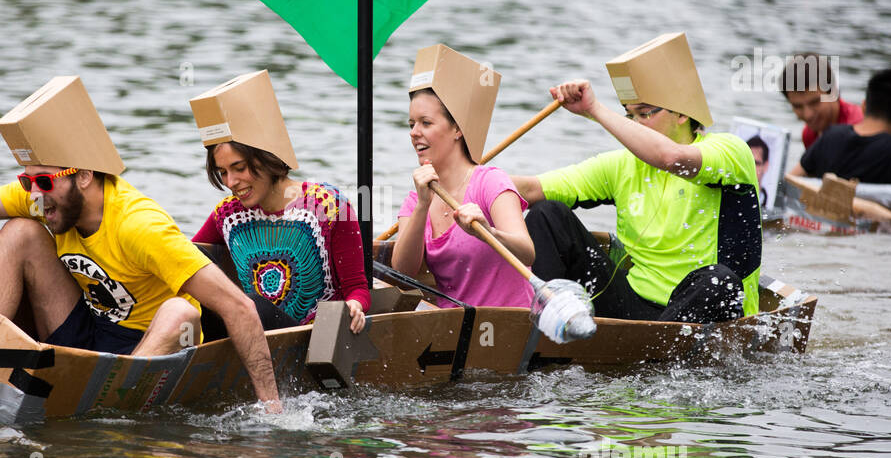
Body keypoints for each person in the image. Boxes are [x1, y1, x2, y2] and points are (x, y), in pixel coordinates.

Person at [0, 75, 281, 409]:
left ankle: (108, 406)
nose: (35, 192)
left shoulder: (139, 225)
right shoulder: (44, 197)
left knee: (181, 312)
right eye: (27, 181)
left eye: (45, 182)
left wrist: (272, 410)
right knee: (21, 231)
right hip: (89, 331)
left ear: (83, 175)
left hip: (147, 347)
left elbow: (238, 307)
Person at [513, 33, 761, 324]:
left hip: (702, 306)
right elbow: (531, 188)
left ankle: (654, 355)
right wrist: (468, 176)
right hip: (635, 307)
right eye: (630, 116)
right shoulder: (620, 166)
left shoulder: (729, 151)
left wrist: (594, 109)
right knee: (547, 215)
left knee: (720, 280)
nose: (634, 125)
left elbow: (671, 158)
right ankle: (544, 334)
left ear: (682, 113)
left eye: (644, 114)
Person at [188, 71, 369, 333]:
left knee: (247, 304)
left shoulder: (328, 206)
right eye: (223, 172)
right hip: (254, 330)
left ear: (264, 157)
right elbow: (189, 258)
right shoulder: (227, 215)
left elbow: (358, 288)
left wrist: (355, 306)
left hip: (315, 337)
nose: (231, 182)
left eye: (239, 168)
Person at [390, 44, 534, 308]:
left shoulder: (490, 181)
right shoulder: (415, 198)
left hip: (512, 327)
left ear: (457, 128)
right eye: (411, 124)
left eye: (426, 123)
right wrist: (423, 206)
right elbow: (402, 274)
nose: (414, 132)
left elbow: (527, 252)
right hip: (456, 330)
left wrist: (487, 233)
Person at [780, 51, 864, 148]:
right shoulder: (808, 134)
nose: (808, 115)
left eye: (815, 102)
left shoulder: (859, 130)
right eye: (797, 106)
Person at [746, 134, 770, 208]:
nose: (751, 168)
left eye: (756, 163)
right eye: (747, 162)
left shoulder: (772, 204)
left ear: (765, 166)